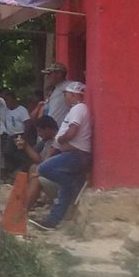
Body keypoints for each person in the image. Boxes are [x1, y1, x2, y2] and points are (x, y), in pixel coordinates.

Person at [32, 82, 91, 231]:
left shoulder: (78, 108)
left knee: (44, 168)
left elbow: (72, 131)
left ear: (73, 94)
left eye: (66, 94)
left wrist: (62, 140)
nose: (64, 97)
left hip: (76, 154)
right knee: (64, 190)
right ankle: (52, 222)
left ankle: (72, 183)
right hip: (77, 153)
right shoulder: (78, 109)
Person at [13, 115, 59, 211]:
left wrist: (26, 146)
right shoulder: (47, 141)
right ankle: (32, 199)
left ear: (47, 129)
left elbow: (44, 163)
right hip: (52, 174)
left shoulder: (56, 142)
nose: (39, 135)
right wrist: (26, 146)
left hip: (58, 180)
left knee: (36, 175)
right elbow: (39, 159)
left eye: (40, 132)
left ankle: (25, 208)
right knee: (34, 167)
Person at [0, 88, 30, 174]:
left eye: (7, 99)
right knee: (7, 152)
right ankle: (11, 170)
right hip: (11, 135)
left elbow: (27, 123)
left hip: (20, 134)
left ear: (13, 99)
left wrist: (24, 136)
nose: (7, 102)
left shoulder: (21, 110)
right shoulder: (6, 111)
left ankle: (22, 170)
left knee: (20, 154)